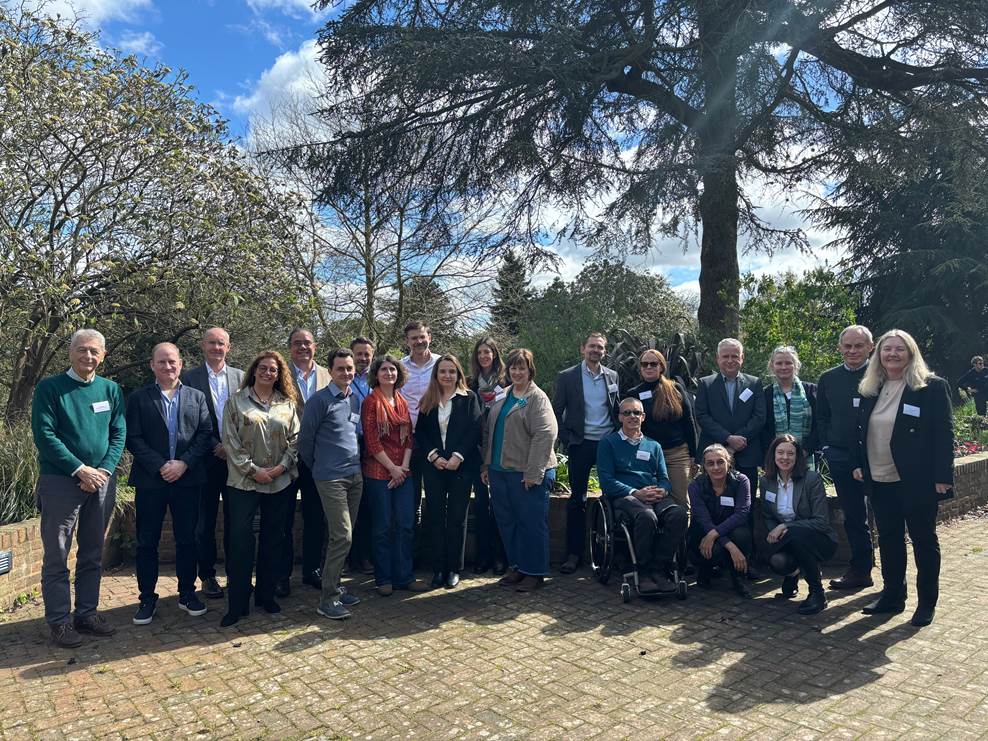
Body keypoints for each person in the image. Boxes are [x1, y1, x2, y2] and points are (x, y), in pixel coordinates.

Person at [31, 329, 127, 647]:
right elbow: (45, 435)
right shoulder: (50, 389)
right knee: (57, 555)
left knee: (92, 553)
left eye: (94, 352)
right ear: (71, 352)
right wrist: (79, 469)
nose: (88, 357)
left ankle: (86, 613)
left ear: (103, 356)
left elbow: (118, 432)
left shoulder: (110, 390)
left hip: (101, 481)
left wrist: (103, 470)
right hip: (60, 482)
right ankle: (59, 621)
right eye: (82, 350)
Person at [852, 329, 954, 627]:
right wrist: (861, 465)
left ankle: (926, 603)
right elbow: (863, 433)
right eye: (887, 349)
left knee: (923, 540)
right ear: (878, 355)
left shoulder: (931, 387)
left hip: (917, 479)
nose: (892, 354)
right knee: (888, 539)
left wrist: (942, 476)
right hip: (880, 478)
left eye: (899, 349)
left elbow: (943, 434)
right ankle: (893, 596)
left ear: (911, 353)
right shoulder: (871, 388)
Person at [126, 343, 213, 625]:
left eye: (172, 362)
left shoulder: (196, 397)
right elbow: (133, 438)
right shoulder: (139, 398)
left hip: (187, 479)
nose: (168, 367)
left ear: (181, 364)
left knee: (187, 539)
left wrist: (183, 463)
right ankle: (147, 598)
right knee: (146, 542)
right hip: (152, 480)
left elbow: (204, 434)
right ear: (152, 365)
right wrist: (161, 465)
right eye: (161, 362)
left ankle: (187, 592)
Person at [220, 351, 301, 627]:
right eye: (263, 368)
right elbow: (230, 442)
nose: (268, 373)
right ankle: (237, 603)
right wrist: (255, 471)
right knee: (241, 542)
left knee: (273, 539)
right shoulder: (236, 402)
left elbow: (296, 440)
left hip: (280, 483)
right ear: (254, 371)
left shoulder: (287, 404)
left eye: (274, 370)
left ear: (280, 375)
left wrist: (279, 469)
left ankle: (266, 596)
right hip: (243, 483)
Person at [482, 349, 558, 593]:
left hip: (526, 472)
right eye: (513, 368)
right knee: (507, 522)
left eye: (521, 368)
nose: (516, 372)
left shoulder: (537, 398)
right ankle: (517, 566)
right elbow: (489, 431)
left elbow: (546, 434)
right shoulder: (503, 395)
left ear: (530, 370)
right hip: (499, 470)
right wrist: (486, 464)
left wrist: (534, 472)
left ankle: (534, 572)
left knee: (531, 524)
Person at [597, 397, 687, 594]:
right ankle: (643, 571)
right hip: (626, 497)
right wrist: (635, 492)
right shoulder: (608, 444)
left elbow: (664, 478)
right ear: (620, 417)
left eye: (636, 413)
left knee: (678, 514)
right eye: (627, 413)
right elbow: (606, 481)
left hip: (654, 496)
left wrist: (662, 490)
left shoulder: (653, 445)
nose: (632, 416)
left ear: (643, 417)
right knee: (647, 517)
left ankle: (659, 568)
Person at [298, 348, 364, 620]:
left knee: (340, 537)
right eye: (341, 369)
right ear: (331, 371)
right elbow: (305, 443)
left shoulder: (354, 400)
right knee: (343, 535)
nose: (346, 373)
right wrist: (321, 468)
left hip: (354, 476)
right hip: (330, 478)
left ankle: (335, 584)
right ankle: (328, 599)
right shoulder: (319, 401)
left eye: (349, 368)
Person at [180, 326, 245, 599]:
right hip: (204, 461)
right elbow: (187, 421)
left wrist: (231, 447)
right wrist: (214, 446)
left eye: (221, 343)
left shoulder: (241, 378)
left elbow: (248, 418)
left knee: (237, 520)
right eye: (211, 343)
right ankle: (207, 576)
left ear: (228, 347)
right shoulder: (189, 378)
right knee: (204, 522)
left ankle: (236, 573)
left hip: (235, 461)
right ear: (202, 346)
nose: (216, 348)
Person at [551, 332, 620, 574]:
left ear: (605, 351)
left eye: (600, 347)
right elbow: (555, 412)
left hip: (607, 444)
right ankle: (573, 555)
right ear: (583, 349)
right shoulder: (567, 377)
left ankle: (610, 553)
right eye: (592, 346)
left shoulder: (612, 376)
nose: (596, 351)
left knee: (611, 496)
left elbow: (616, 409)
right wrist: (567, 438)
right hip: (580, 444)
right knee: (577, 500)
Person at [361, 355, 430, 595]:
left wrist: (403, 468)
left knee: (406, 525)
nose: (389, 373)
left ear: (398, 374)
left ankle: (404, 576)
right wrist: (392, 468)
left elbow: (409, 437)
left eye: (392, 369)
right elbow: (371, 440)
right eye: (384, 370)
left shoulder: (401, 401)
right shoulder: (371, 402)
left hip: (403, 472)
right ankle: (384, 578)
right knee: (382, 527)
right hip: (379, 472)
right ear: (376, 375)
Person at [816, 325, 876, 591]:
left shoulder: (881, 376)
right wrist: (828, 446)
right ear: (839, 348)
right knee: (854, 515)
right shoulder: (829, 378)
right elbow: (822, 416)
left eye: (858, 346)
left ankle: (895, 580)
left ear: (870, 348)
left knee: (888, 517)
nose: (852, 351)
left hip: (878, 456)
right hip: (840, 456)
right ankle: (861, 570)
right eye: (847, 346)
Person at [417, 355, 483, 589]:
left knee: (457, 518)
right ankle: (438, 569)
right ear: (436, 375)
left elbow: (475, 429)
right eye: (443, 371)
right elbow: (421, 433)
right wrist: (434, 456)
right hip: (434, 467)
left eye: (451, 372)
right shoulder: (429, 399)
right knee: (434, 517)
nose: (447, 376)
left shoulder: (469, 398)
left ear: (458, 374)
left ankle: (454, 568)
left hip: (461, 467)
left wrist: (458, 456)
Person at [761, 434, 838, 615]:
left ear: (798, 457)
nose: (785, 458)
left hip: (820, 540)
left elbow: (821, 521)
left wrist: (786, 527)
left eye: (790, 453)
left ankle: (817, 593)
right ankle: (793, 573)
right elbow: (767, 515)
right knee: (778, 561)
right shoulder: (766, 482)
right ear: (773, 455)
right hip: (788, 540)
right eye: (780, 453)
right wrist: (776, 529)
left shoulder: (812, 479)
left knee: (795, 536)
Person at [280, 328, 331, 596]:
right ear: (290, 348)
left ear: (316, 346)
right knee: (283, 518)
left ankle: (313, 570)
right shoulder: (279, 374)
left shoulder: (328, 375)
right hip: (285, 458)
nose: (303, 347)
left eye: (307, 343)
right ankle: (282, 575)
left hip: (318, 459)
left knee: (316, 517)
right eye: (297, 343)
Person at [626, 349, 698, 512]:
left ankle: (680, 537)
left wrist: (694, 455)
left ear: (662, 367)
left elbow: (689, 422)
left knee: (681, 502)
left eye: (653, 364)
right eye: (645, 364)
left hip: (677, 454)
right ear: (640, 368)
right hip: (647, 455)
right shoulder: (634, 394)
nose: (649, 367)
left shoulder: (676, 389)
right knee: (650, 499)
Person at [695, 338, 766, 496]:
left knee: (746, 504)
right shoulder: (705, 384)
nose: (730, 360)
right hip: (714, 456)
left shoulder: (754, 383)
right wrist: (727, 438)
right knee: (714, 503)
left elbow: (759, 417)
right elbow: (701, 415)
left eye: (735, 356)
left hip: (747, 453)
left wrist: (736, 442)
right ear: (717, 358)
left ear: (742, 358)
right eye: (725, 356)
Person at [687, 444, 753, 599]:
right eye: (710, 463)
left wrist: (715, 535)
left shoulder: (741, 481)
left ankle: (738, 578)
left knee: (741, 534)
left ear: (728, 462)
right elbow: (704, 521)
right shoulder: (695, 486)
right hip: (703, 533)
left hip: (729, 531)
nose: (716, 467)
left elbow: (742, 514)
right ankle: (705, 571)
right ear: (704, 466)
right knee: (714, 549)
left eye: (720, 462)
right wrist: (730, 547)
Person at [467, 336, 507, 575]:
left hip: (502, 448)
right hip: (477, 451)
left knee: (500, 505)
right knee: (481, 505)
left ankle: (501, 556)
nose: (484, 356)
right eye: (480, 352)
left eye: (488, 351)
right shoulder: (471, 384)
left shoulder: (507, 381)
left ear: (495, 354)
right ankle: (483, 555)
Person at [400, 321, 441, 535]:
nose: (418, 341)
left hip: (436, 438)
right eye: (413, 338)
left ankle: (434, 550)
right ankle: (413, 554)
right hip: (408, 440)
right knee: (411, 496)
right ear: (407, 341)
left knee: (435, 496)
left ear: (430, 337)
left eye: (422, 336)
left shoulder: (441, 364)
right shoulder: (399, 367)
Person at [347, 336, 376, 575]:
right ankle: (348, 558)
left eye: (367, 354)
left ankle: (365, 556)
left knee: (367, 505)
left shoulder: (378, 379)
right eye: (359, 354)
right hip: (350, 446)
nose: (363, 358)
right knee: (348, 505)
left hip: (374, 447)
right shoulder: (343, 378)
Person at [761, 346, 817, 457]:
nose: (783, 367)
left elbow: (819, 424)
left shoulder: (812, 391)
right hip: (775, 456)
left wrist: (805, 450)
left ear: (796, 365)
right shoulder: (765, 394)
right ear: (772, 366)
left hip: (807, 455)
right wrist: (776, 452)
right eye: (779, 363)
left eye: (788, 363)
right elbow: (762, 428)